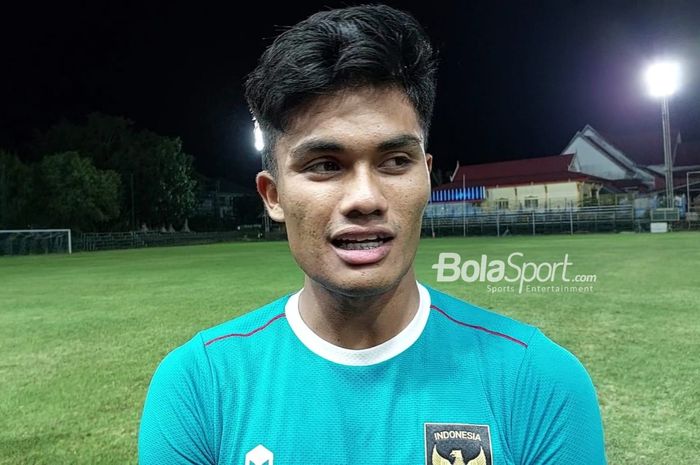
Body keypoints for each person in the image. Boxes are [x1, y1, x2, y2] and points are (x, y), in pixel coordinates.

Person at [138, 4, 607, 464]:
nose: (365, 197)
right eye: (325, 165)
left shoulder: (539, 382)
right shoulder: (199, 387)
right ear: (273, 196)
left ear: (426, 177)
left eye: (395, 161)